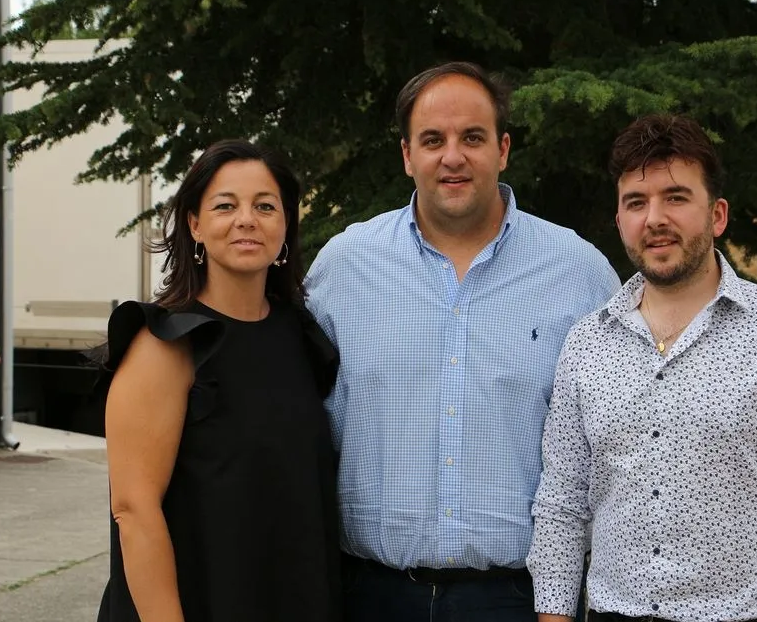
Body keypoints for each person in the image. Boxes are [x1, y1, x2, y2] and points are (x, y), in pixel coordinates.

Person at [303, 61, 620, 622]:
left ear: (503, 149)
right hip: (369, 597)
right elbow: (298, 423)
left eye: (472, 138)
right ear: (407, 156)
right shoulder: (343, 269)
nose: (453, 157)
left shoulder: (578, 273)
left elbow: (618, 442)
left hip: (522, 601)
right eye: (433, 140)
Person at [527, 114, 757, 622]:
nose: (654, 218)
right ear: (619, 220)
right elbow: (562, 504)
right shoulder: (587, 343)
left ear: (717, 215)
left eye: (676, 198)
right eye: (636, 203)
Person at [95, 139, 341, 622]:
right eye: (225, 206)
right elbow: (134, 510)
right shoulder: (166, 343)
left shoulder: (302, 335)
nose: (246, 219)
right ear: (195, 225)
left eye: (265, 206)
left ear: (286, 224)